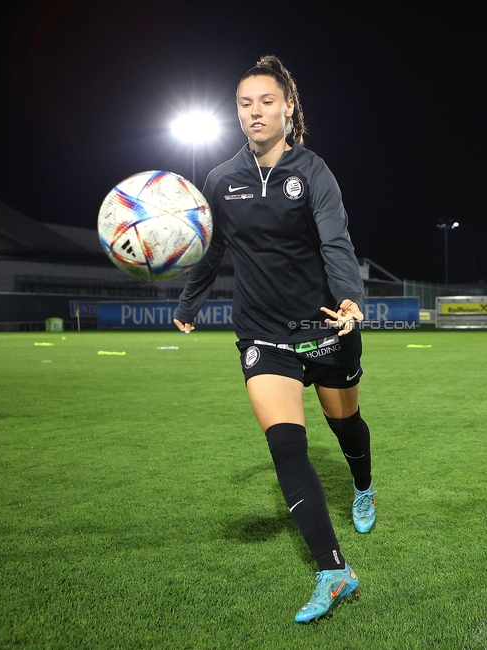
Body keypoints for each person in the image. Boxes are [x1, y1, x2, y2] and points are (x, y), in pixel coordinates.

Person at [171, 56, 371, 624]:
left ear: (288, 107)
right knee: (287, 446)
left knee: (344, 424)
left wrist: (350, 297)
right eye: (244, 103)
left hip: (322, 326)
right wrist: (189, 303)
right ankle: (334, 571)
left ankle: (363, 485)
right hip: (262, 331)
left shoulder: (313, 171)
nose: (254, 112)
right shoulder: (220, 179)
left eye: (265, 102)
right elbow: (211, 250)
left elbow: (336, 241)